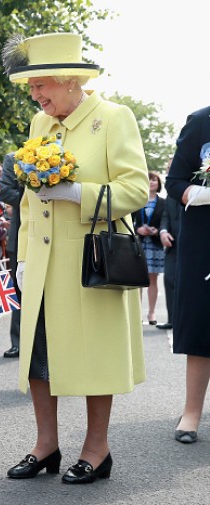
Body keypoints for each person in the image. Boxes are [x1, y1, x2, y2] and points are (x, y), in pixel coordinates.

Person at [2, 33, 148, 483]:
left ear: (69, 81)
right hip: (43, 263)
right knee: (39, 357)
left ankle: (96, 449)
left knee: (92, 358)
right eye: (30, 88)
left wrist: (77, 193)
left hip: (90, 263)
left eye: (40, 85)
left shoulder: (113, 118)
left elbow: (136, 189)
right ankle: (45, 446)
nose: (35, 95)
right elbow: (28, 201)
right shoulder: (38, 124)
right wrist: (23, 256)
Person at [164, 105, 210, 444]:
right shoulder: (201, 121)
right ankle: (191, 412)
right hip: (204, 238)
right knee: (201, 322)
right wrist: (199, 193)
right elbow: (175, 179)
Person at [132, 171, 165, 325]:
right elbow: (130, 222)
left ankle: (151, 313)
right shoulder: (137, 201)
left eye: (154, 180)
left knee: (153, 280)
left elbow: (166, 223)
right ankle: (137, 313)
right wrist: (138, 229)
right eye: (149, 180)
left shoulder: (163, 203)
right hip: (139, 244)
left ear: (158, 183)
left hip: (155, 245)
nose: (151, 182)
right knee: (138, 279)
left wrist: (157, 231)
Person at [0, 152, 22, 358]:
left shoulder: (64, 156)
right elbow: (5, 192)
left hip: (56, 234)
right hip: (21, 235)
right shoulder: (14, 158)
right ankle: (18, 341)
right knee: (19, 289)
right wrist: (34, 195)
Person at [157, 164, 181, 331]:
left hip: (193, 246)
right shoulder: (170, 196)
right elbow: (165, 217)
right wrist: (163, 232)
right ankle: (173, 320)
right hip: (173, 246)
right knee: (170, 280)